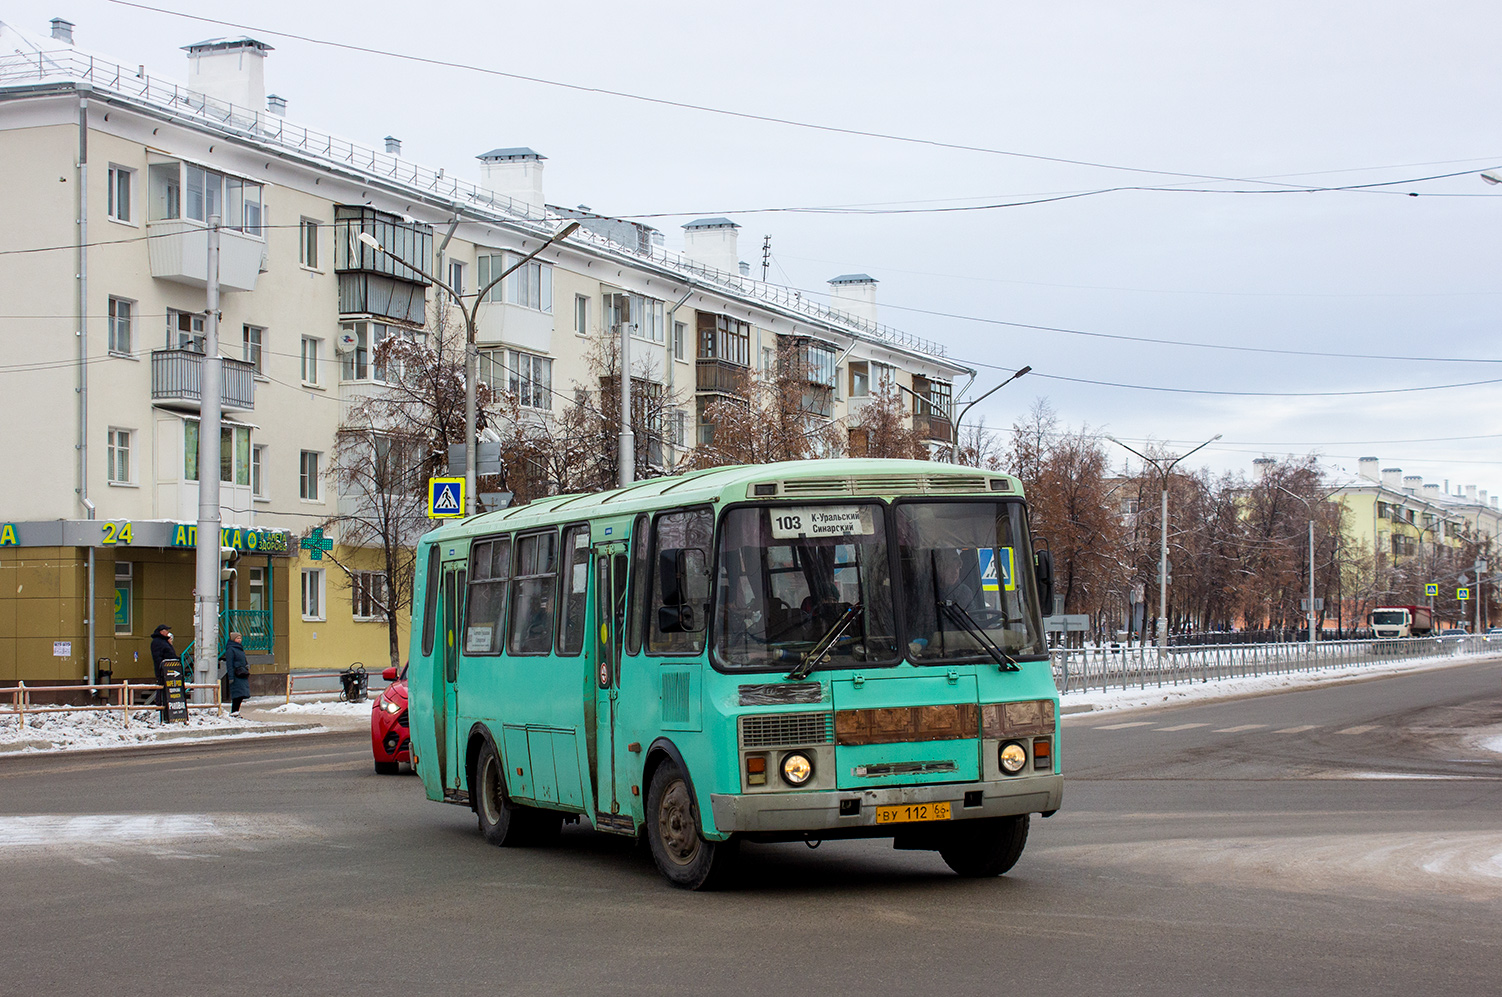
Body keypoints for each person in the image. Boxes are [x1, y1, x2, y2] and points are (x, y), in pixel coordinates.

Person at [149, 624, 176, 719]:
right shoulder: (158, 642)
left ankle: (164, 705)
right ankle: (160, 705)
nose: (168, 632)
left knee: (166, 687)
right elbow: (158, 657)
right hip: (164, 669)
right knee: (162, 687)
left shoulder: (164, 642)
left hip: (170, 668)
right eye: (166, 630)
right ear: (161, 631)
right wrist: (162, 668)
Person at [222, 631, 250, 714]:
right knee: (237, 695)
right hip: (236, 674)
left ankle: (236, 712)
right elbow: (229, 664)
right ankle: (234, 712)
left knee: (241, 694)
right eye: (237, 638)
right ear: (233, 639)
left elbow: (243, 660)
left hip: (242, 674)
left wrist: (246, 666)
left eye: (240, 638)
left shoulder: (239, 648)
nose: (239, 640)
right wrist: (231, 677)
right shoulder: (231, 649)